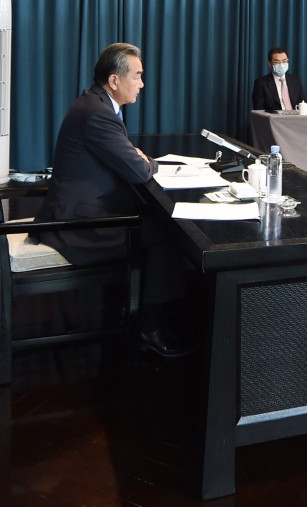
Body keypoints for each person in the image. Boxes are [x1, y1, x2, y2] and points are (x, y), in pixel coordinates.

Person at [34, 43, 192, 358]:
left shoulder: (96, 104)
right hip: (77, 224)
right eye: (137, 76)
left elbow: (129, 159)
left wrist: (138, 158)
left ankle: (147, 307)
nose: (143, 84)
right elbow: (137, 169)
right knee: (167, 236)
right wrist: (150, 162)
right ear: (115, 81)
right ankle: (150, 327)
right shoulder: (97, 114)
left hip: (80, 210)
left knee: (154, 223)